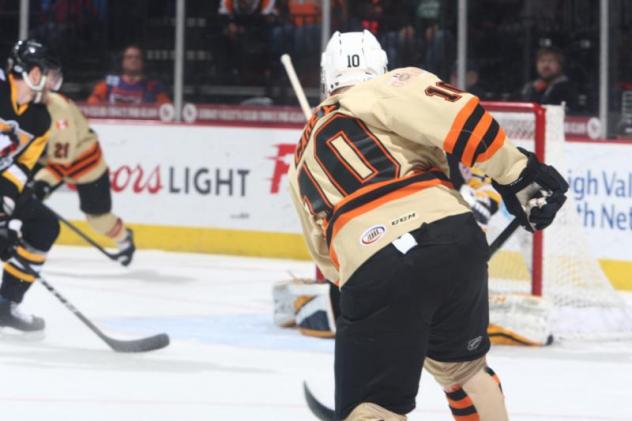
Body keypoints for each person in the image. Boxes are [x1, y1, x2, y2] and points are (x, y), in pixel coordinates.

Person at [288, 30, 568, 420]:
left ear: (325, 80)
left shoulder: (300, 159)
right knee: (466, 372)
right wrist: (518, 174)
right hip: (455, 236)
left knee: (373, 406)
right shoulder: (392, 85)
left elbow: (326, 256)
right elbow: (458, 116)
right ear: (380, 65)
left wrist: (378, 290)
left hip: (373, 260)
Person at [30, 72, 136, 267]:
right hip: (53, 161)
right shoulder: (27, 105)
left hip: (86, 166)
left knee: (98, 218)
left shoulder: (58, 111)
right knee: (17, 193)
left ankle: (125, 239)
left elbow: (62, 162)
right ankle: (21, 237)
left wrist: (41, 185)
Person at [0, 39, 62, 333]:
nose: (50, 81)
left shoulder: (40, 120)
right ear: (31, 73)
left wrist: (4, 211)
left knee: (45, 225)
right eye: (46, 73)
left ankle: (5, 304)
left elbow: (21, 167)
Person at [87, 44, 171, 105]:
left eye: (137, 57)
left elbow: (166, 108)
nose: (133, 60)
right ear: (122, 61)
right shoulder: (110, 83)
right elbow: (91, 104)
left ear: (143, 62)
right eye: (129, 57)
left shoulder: (153, 86)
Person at [521, 47, 578, 113]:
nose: (546, 65)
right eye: (542, 61)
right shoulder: (530, 87)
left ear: (560, 65)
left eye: (551, 61)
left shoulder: (567, 88)